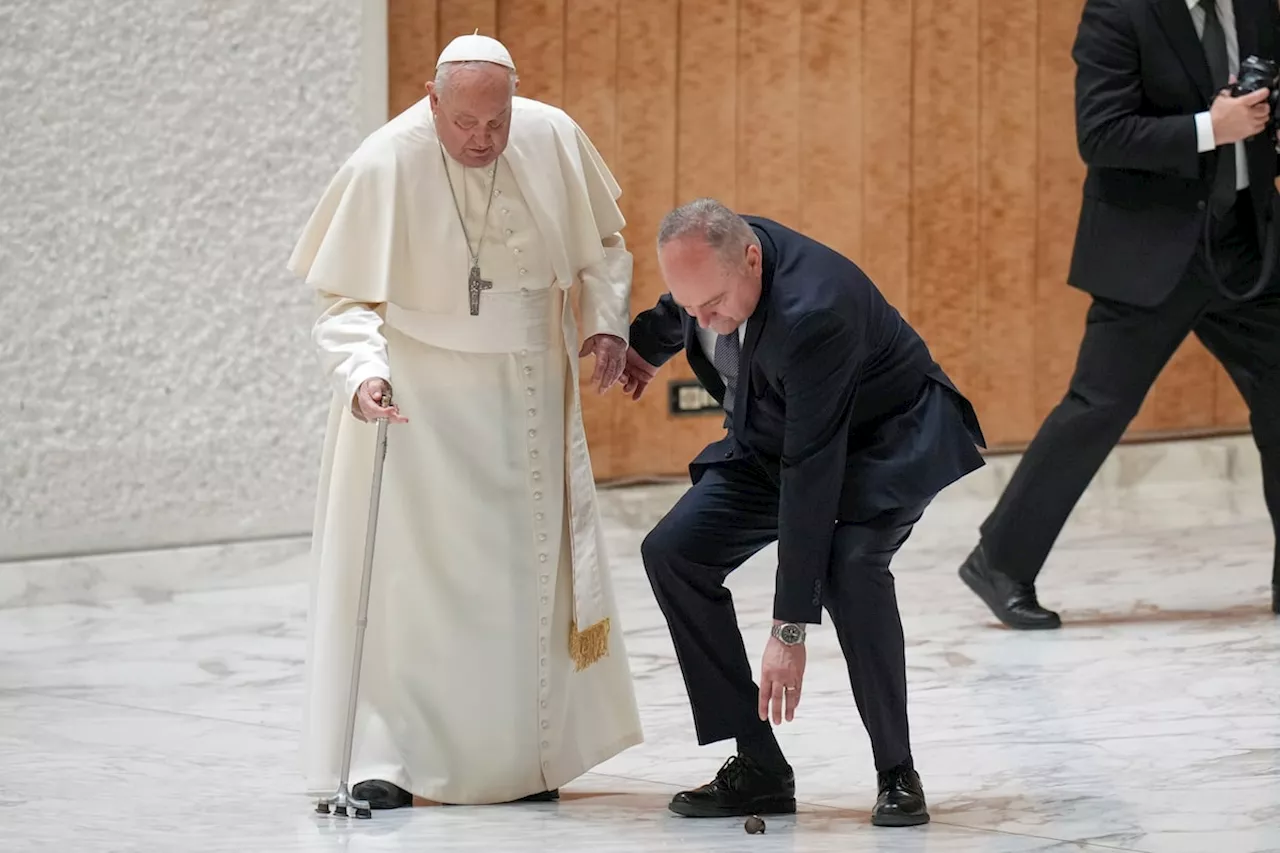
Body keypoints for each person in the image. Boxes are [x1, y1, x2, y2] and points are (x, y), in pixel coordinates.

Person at [286, 33, 642, 808]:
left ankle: (524, 762)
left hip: (531, 393)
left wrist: (607, 320)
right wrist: (363, 373)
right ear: (430, 97)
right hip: (423, 400)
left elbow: (603, 247)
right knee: (417, 584)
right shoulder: (384, 163)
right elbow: (344, 300)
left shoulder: (551, 135)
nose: (481, 141)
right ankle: (395, 758)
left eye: (496, 124)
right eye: (464, 125)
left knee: (524, 582)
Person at [618, 199, 987, 827]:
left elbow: (812, 474)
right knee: (674, 553)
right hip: (775, 435)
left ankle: (897, 772)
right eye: (692, 307)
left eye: (712, 306)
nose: (703, 321)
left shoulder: (815, 314)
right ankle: (758, 768)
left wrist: (789, 629)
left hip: (883, 442)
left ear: (752, 261)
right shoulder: (713, 273)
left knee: (850, 568)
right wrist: (641, 349)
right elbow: (675, 311)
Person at [957, 0, 1280, 630]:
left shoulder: (1257, 5)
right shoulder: (1120, 11)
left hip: (1245, 242)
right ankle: (1000, 560)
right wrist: (1212, 128)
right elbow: (1100, 134)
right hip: (1151, 251)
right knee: (1097, 409)